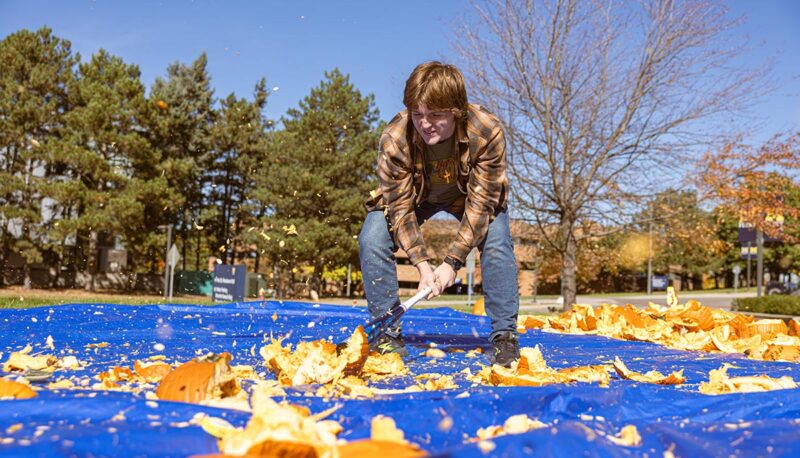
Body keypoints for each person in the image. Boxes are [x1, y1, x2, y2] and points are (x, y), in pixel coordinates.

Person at [359, 61, 520, 366]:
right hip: (417, 197)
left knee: (497, 238)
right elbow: (400, 208)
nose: (425, 123)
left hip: (468, 197)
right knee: (373, 235)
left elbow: (482, 203)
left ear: (456, 110)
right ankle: (386, 336)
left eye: (436, 115)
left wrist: (451, 264)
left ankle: (505, 338)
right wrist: (422, 265)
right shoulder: (395, 138)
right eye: (417, 114)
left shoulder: (487, 131)